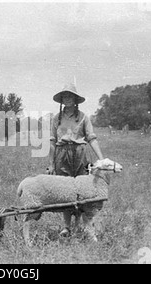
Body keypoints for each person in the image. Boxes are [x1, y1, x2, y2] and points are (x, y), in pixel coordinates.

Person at [47, 82, 104, 237]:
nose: (68, 99)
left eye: (70, 96)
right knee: (65, 190)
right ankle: (66, 226)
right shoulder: (56, 119)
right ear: (61, 100)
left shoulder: (83, 118)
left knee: (82, 189)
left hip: (80, 154)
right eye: (65, 96)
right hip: (61, 155)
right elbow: (52, 142)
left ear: (75, 99)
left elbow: (92, 138)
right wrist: (51, 164)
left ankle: (84, 225)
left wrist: (102, 159)